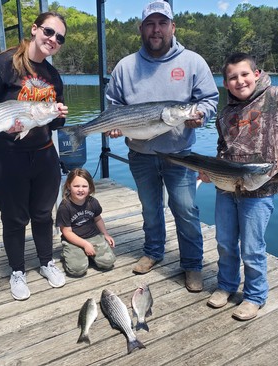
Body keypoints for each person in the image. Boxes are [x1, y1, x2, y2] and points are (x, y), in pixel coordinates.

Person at [105, 0, 219, 292]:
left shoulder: (193, 62)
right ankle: (153, 252)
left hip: (180, 155)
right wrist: (115, 125)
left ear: (172, 27)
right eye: (150, 24)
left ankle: (192, 264)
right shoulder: (125, 66)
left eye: (162, 23)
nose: (156, 30)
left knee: (186, 209)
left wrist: (200, 115)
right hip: (140, 154)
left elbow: (209, 100)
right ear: (141, 28)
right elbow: (113, 105)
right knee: (150, 207)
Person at [203, 52, 278, 320]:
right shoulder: (226, 113)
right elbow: (223, 147)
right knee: (225, 241)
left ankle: (255, 296)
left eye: (244, 74)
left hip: (261, 189)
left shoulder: (276, 95)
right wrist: (212, 171)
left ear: (256, 74)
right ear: (225, 82)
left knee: (252, 246)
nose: (239, 81)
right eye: (232, 77)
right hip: (227, 187)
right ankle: (227, 285)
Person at [0, 12, 69, 300]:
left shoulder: (53, 76)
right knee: (14, 219)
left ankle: (46, 261)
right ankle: (17, 270)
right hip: (7, 158)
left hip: (44, 157)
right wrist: (4, 125)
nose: (53, 40)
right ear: (35, 29)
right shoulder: (1, 64)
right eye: (49, 32)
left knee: (42, 215)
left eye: (59, 38)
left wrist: (60, 115)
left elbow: (56, 121)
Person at [56, 168, 116, 276]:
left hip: (93, 235)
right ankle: (71, 254)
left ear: (90, 188)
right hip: (73, 239)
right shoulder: (65, 207)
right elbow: (66, 232)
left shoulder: (92, 202)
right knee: (77, 270)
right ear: (69, 186)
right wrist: (85, 244)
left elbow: (98, 219)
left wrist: (105, 234)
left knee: (108, 262)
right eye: (76, 186)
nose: (80, 189)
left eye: (84, 186)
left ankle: (89, 255)